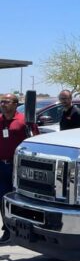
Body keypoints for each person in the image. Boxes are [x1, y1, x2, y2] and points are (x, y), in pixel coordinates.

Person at [0, 93, 32, 244]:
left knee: (19, 199)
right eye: (2, 102)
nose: (3, 104)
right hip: (1, 166)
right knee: (3, 198)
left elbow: (33, 141)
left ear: (15, 104)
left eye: (6, 102)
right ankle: (7, 229)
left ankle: (22, 230)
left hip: (16, 167)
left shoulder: (23, 121)